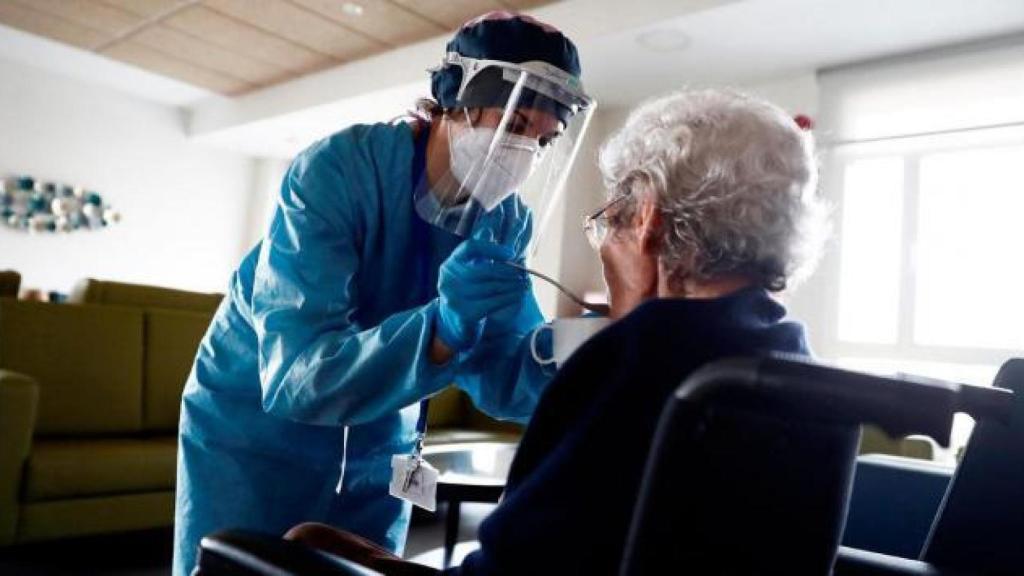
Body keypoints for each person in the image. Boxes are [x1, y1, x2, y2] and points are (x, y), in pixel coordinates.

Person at [282, 87, 828, 574]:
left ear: (647, 221)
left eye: (609, 218)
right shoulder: (798, 368)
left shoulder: (629, 360)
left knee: (301, 542)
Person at [172, 11, 595, 576]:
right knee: (239, 565)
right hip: (253, 434)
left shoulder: (505, 221)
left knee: (362, 567)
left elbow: (500, 377)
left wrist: (581, 356)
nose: (525, 153)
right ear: (454, 97)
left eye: (543, 138)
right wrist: (442, 330)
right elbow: (298, 375)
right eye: (515, 123)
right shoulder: (339, 171)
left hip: (383, 436)